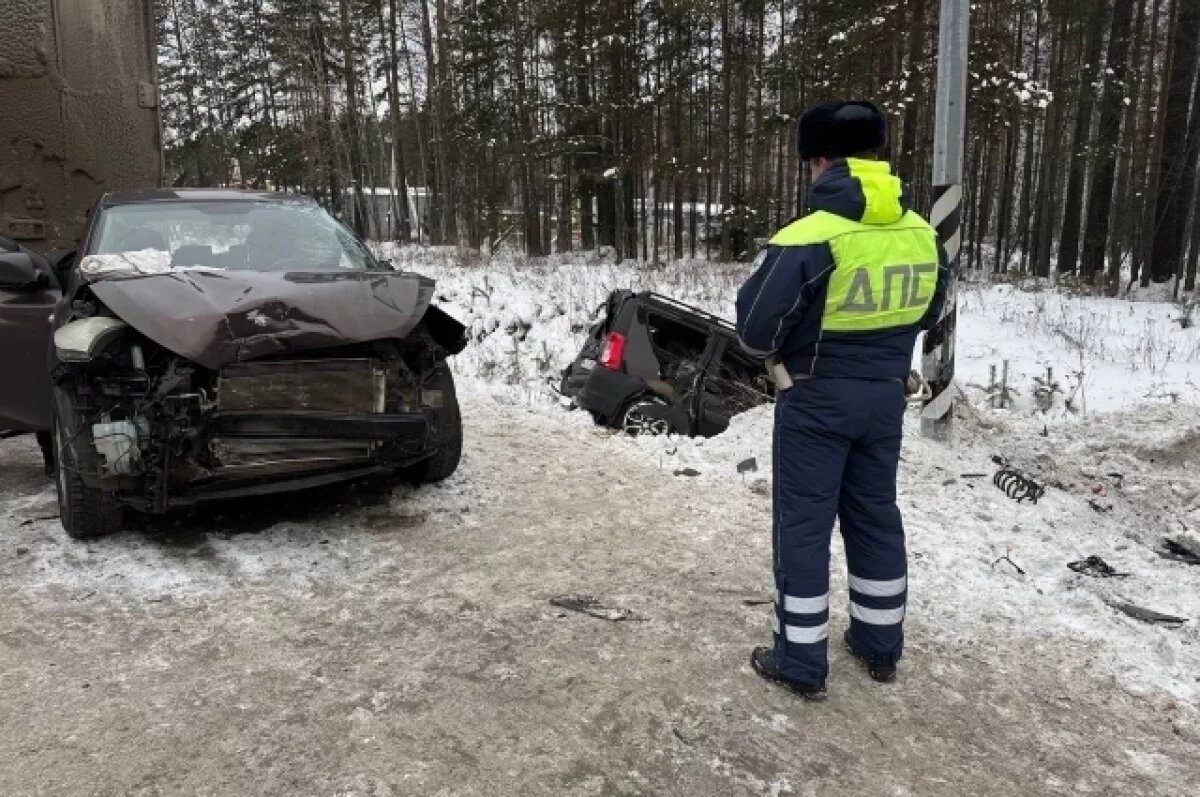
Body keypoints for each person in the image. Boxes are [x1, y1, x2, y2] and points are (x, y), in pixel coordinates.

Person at [735, 100, 949, 700]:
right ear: (875, 156)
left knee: (804, 526)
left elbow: (755, 329)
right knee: (875, 516)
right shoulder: (923, 234)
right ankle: (879, 647)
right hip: (885, 399)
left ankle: (800, 662)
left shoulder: (810, 235)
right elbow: (930, 310)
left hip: (814, 400)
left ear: (820, 161)